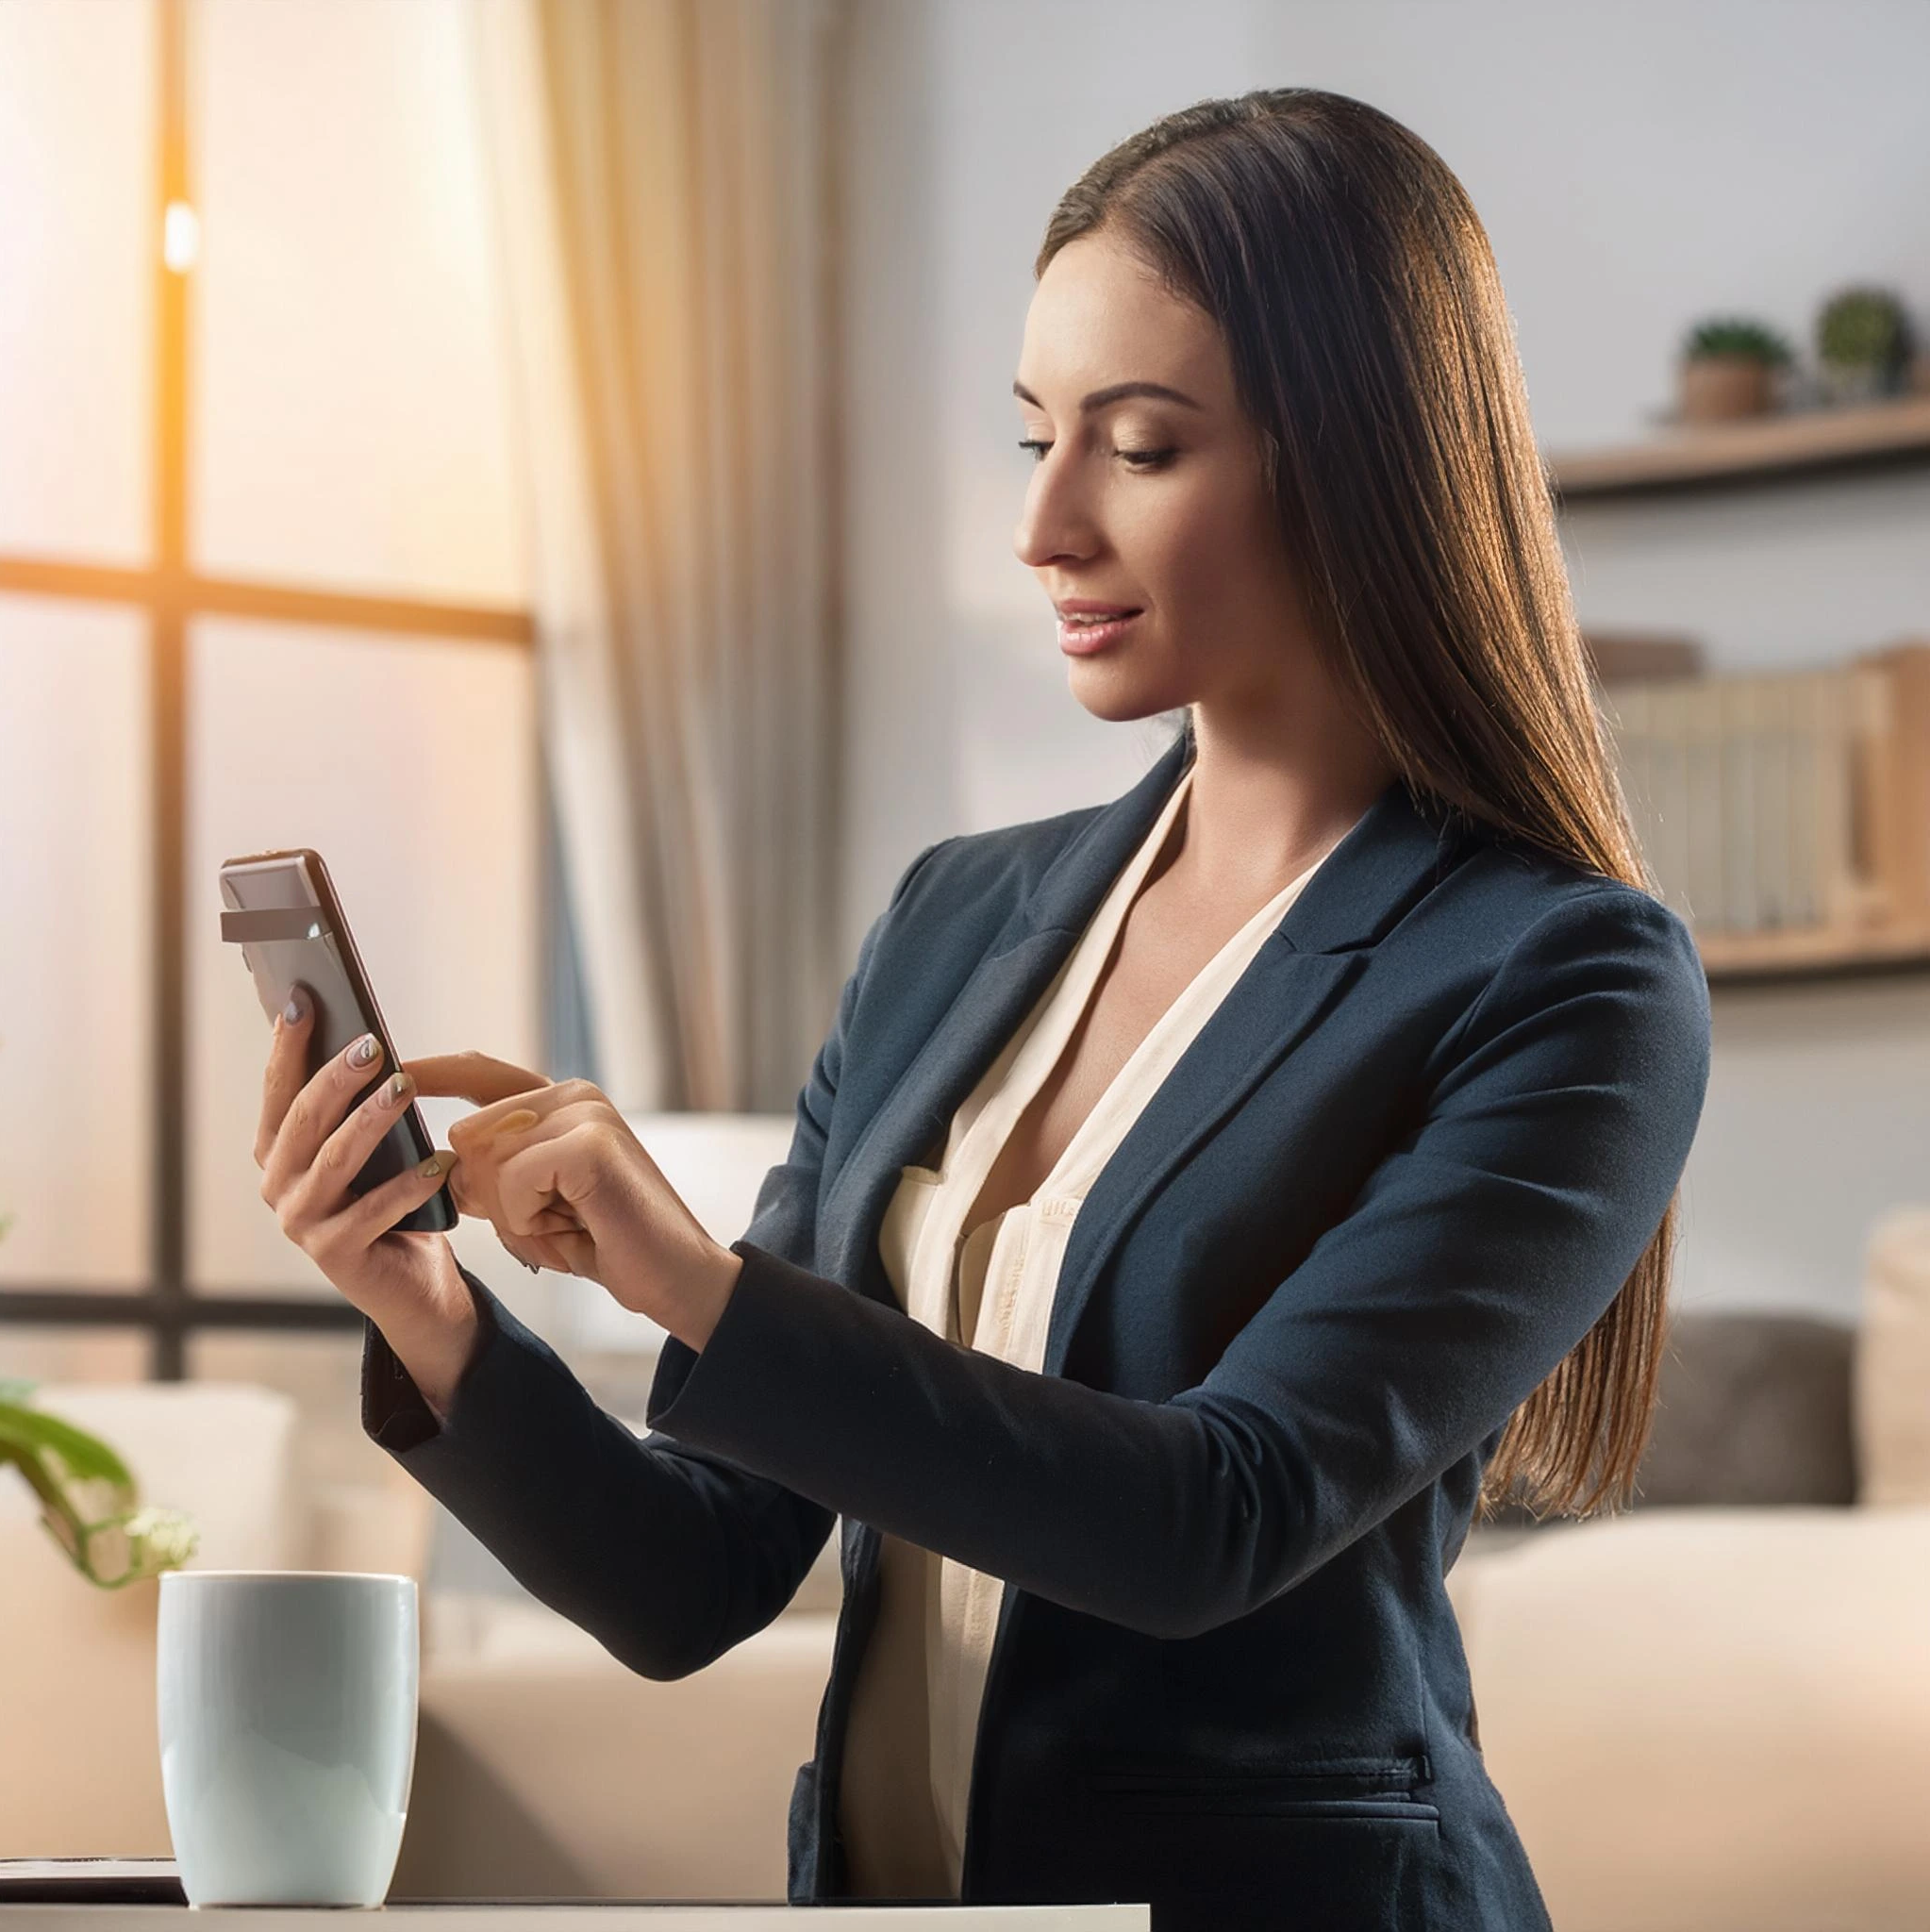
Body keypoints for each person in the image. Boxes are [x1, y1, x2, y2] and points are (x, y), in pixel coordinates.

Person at [253, 87, 1710, 1932]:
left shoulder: (1559, 974)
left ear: (1361, 456)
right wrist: (431, 1310)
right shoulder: (956, 921)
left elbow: (1208, 1518)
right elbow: (692, 1578)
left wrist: (694, 1282)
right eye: (1035, 436)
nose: (1042, 524)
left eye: (1140, 446)